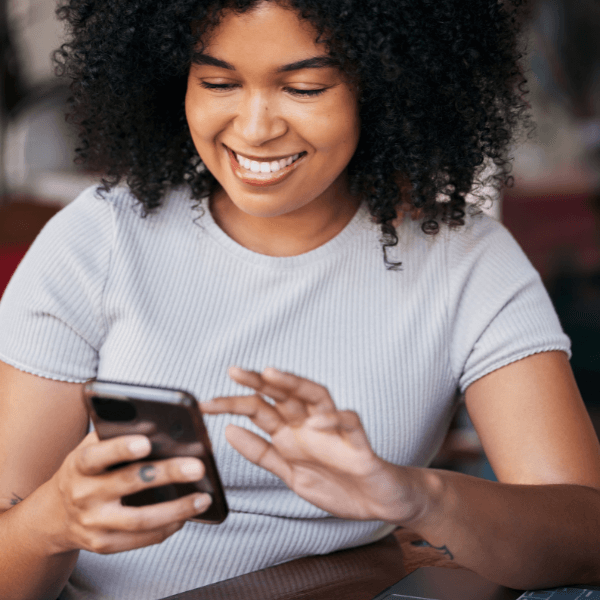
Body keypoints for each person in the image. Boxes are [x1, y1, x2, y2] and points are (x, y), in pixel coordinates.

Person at [0, 1, 599, 599]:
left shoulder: (462, 257)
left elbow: (587, 540)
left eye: (305, 88)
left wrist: (416, 495)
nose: (255, 127)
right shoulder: (101, 238)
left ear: (385, 85)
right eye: (217, 82)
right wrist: (51, 523)